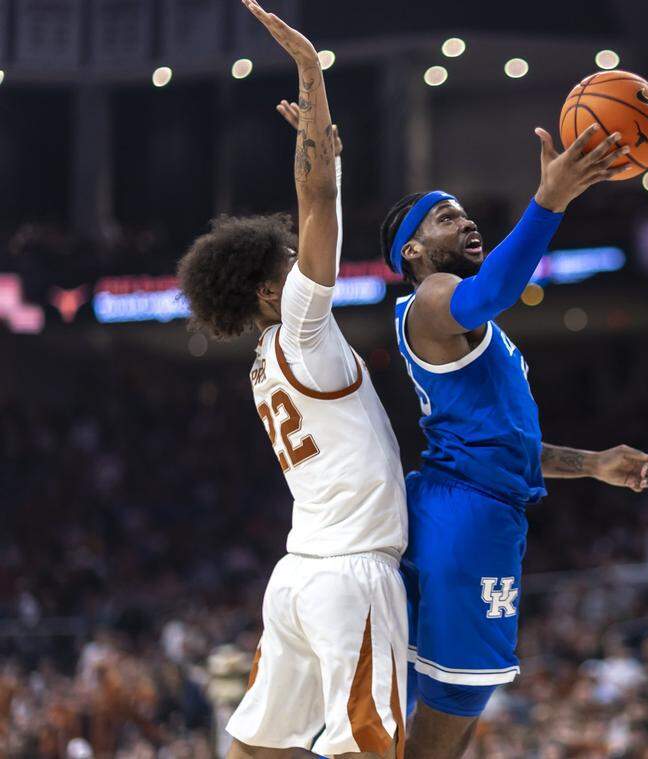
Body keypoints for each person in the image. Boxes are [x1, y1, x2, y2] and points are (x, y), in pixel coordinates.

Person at [379, 125, 648, 757]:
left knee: (433, 708)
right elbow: (497, 289)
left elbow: (503, 446)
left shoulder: (467, 324)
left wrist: (591, 463)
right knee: (451, 710)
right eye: (446, 219)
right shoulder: (430, 299)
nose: (468, 223)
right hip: (467, 519)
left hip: (461, 505)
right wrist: (550, 199)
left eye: (465, 213)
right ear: (415, 254)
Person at [176, 3, 406, 756]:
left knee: (253, 743)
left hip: (297, 575)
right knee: (368, 748)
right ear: (272, 292)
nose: (303, 263)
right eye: (289, 266)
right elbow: (318, 199)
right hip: (349, 576)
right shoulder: (303, 330)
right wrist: (313, 76)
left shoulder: (264, 360)